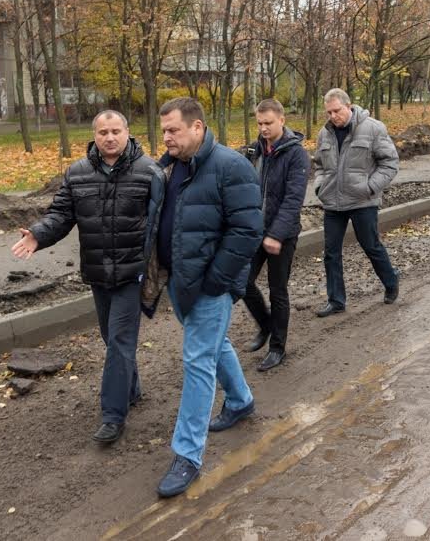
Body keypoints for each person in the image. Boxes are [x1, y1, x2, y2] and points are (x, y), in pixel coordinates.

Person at [11, 110, 160, 445]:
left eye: (116, 131)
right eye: (103, 132)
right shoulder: (78, 173)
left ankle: (113, 416)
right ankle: (131, 389)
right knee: (112, 339)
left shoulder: (149, 171)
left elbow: (161, 222)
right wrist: (37, 234)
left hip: (131, 272)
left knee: (120, 342)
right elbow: (61, 214)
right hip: (97, 273)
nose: (109, 138)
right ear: (94, 135)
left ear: (128, 132)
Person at [140, 97, 262, 498]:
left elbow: (247, 231)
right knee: (213, 344)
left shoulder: (230, 166)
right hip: (180, 279)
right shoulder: (169, 167)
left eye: (173, 130)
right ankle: (241, 400)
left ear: (197, 127)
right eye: (164, 132)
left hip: (209, 283)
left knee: (197, 360)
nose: (167, 138)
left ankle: (187, 456)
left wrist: (217, 282)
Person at [312, 88, 400, 317]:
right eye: (329, 112)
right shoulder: (325, 133)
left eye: (337, 110)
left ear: (348, 106)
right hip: (333, 202)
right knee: (331, 252)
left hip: (362, 201)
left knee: (371, 246)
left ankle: (391, 282)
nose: (333, 116)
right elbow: (319, 165)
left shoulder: (373, 128)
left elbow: (390, 163)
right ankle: (336, 300)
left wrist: (370, 187)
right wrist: (320, 186)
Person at [240, 99, 310, 371]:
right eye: (259, 123)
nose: (263, 128)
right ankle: (266, 324)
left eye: (268, 123)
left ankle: (278, 347)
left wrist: (276, 235)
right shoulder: (253, 151)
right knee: (242, 282)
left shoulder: (296, 154)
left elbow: (294, 201)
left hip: (283, 234)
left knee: (278, 290)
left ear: (281, 120)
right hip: (255, 230)